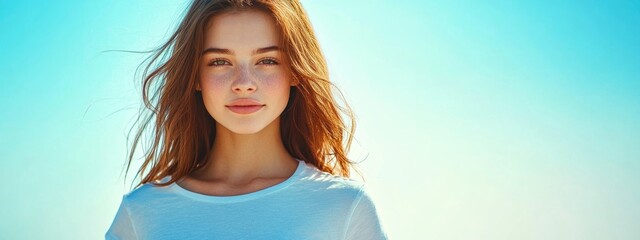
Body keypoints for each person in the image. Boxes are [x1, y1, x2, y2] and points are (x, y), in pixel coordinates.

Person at [106, 0, 387, 239]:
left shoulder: (345, 208)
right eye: (220, 62)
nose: (243, 83)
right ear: (195, 77)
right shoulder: (141, 214)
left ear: (296, 72)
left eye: (267, 61)